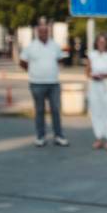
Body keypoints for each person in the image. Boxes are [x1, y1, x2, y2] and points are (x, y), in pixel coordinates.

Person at [19, 18, 69, 147]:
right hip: (37, 83)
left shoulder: (55, 45)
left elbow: (59, 59)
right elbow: (23, 62)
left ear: (49, 32)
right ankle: (40, 137)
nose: (44, 34)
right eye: (41, 31)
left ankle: (59, 136)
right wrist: (34, 71)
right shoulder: (31, 46)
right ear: (37, 32)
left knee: (56, 110)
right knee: (40, 111)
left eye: (46, 31)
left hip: (53, 83)